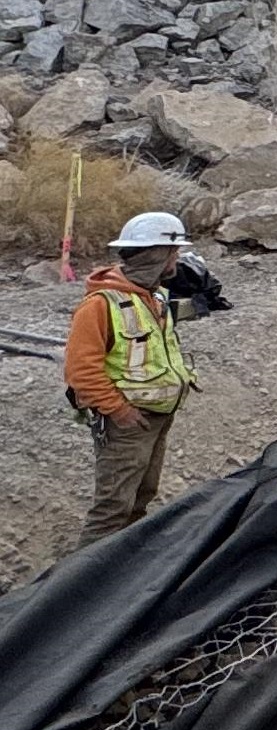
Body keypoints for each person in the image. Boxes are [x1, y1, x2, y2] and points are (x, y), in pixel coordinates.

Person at [64, 211, 200, 546]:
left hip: (157, 416)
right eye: (174, 252)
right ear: (157, 255)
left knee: (141, 497)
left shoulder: (154, 296)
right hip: (126, 423)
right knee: (112, 508)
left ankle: (124, 568)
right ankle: (81, 586)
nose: (177, 259)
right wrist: (120, 412)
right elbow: (81, 371)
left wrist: (203, 303)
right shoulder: (98, 305)